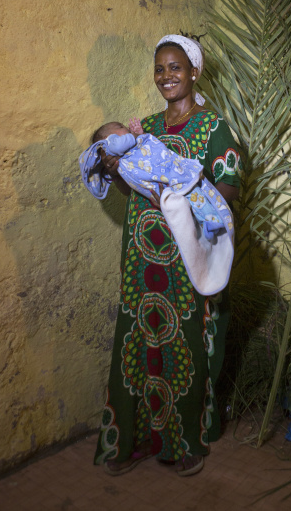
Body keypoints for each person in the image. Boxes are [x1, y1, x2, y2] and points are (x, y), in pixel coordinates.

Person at [93, 34, 242, 477]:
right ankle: (132, 441)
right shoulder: (145, 129)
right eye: (160, 68)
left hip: (185, 259)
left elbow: (230, 187)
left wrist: (185, 200)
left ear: (194, 72)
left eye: (175, 67)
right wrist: (116, 170)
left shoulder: (214, 127)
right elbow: (132, 189)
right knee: (137, 341)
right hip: (141, 258)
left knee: (186, 345)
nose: (166, 76)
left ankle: (186, 441)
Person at [79, 119, 236, 295]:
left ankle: (208, 219)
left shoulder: (211, 123)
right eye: (120, 127)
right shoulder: (146, 123)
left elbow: (231, 186)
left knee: (190, 300)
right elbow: (127, 190)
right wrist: (114, 172)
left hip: (187, 238)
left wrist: (178, 206)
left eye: (123, 127)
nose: (125, 128)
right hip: (146, 246)